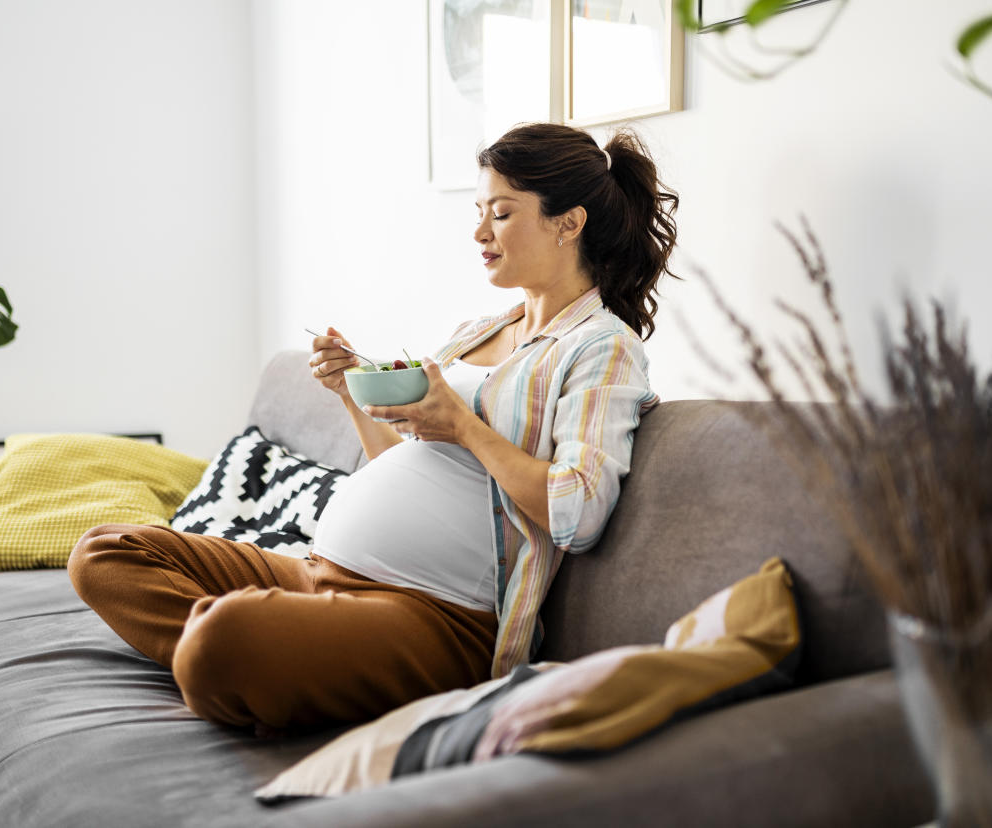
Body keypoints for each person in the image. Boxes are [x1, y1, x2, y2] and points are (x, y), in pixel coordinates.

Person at [68, 122, 678, 732]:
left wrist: (465, 427)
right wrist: (349, 395)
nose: (479, 233)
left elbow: (582, 512)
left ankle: (249, 654)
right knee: (104, 553)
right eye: (478, 212)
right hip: (317, 572)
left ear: (568, 224)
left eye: (501, 213)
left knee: (219, 640)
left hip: (431, 613)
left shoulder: (600, 347)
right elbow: (403, 462)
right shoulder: (479, 330)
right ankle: (282, 658)